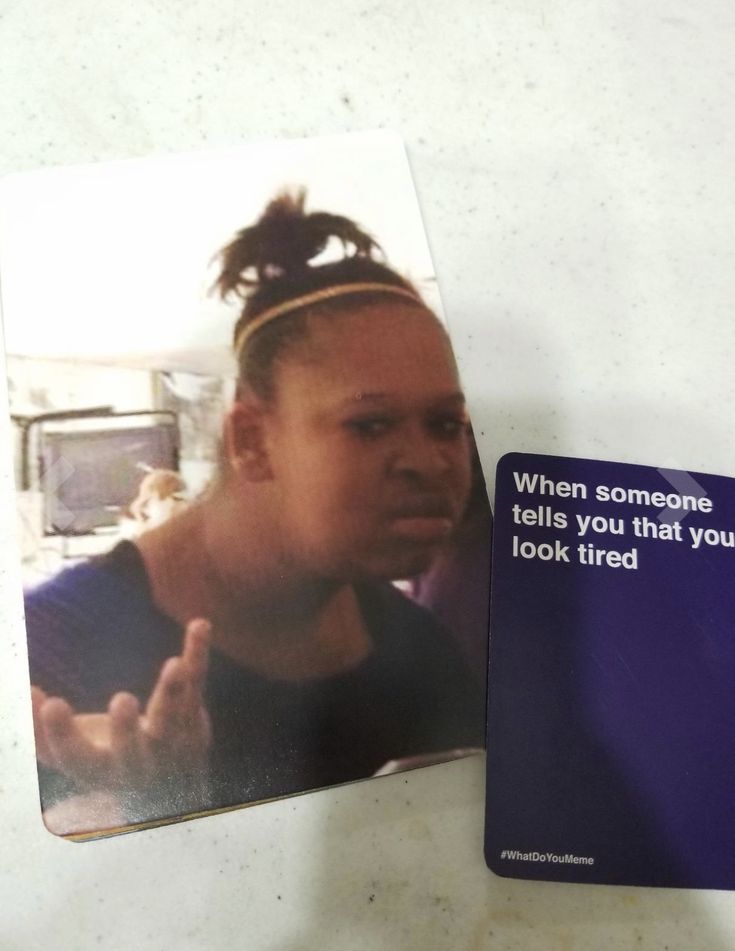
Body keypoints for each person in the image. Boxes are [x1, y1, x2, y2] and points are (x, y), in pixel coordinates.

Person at [26, 191, 486, 836]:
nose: (431, 462)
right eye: (371, 424)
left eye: (445, 423)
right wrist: (133, 820)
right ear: (250, 441)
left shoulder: (422, 652)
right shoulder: (48, 658)